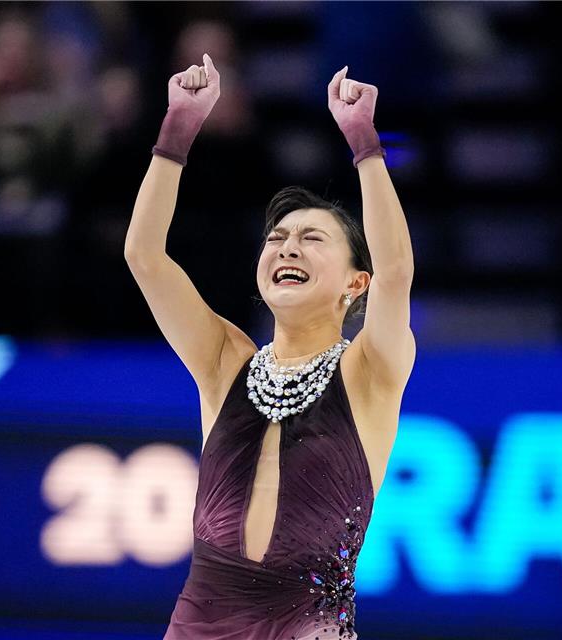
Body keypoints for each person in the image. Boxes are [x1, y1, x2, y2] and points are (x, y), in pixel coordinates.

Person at [124, 54, 415, 639]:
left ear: (355, 283)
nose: (287, 248)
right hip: (201, 621)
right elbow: (145, 258)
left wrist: (365, 143)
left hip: (308, 625)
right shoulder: (224, 360)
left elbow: (396, 269)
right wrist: (177, 129)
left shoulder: (370, 370)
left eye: (311, 239)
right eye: (277, 238)